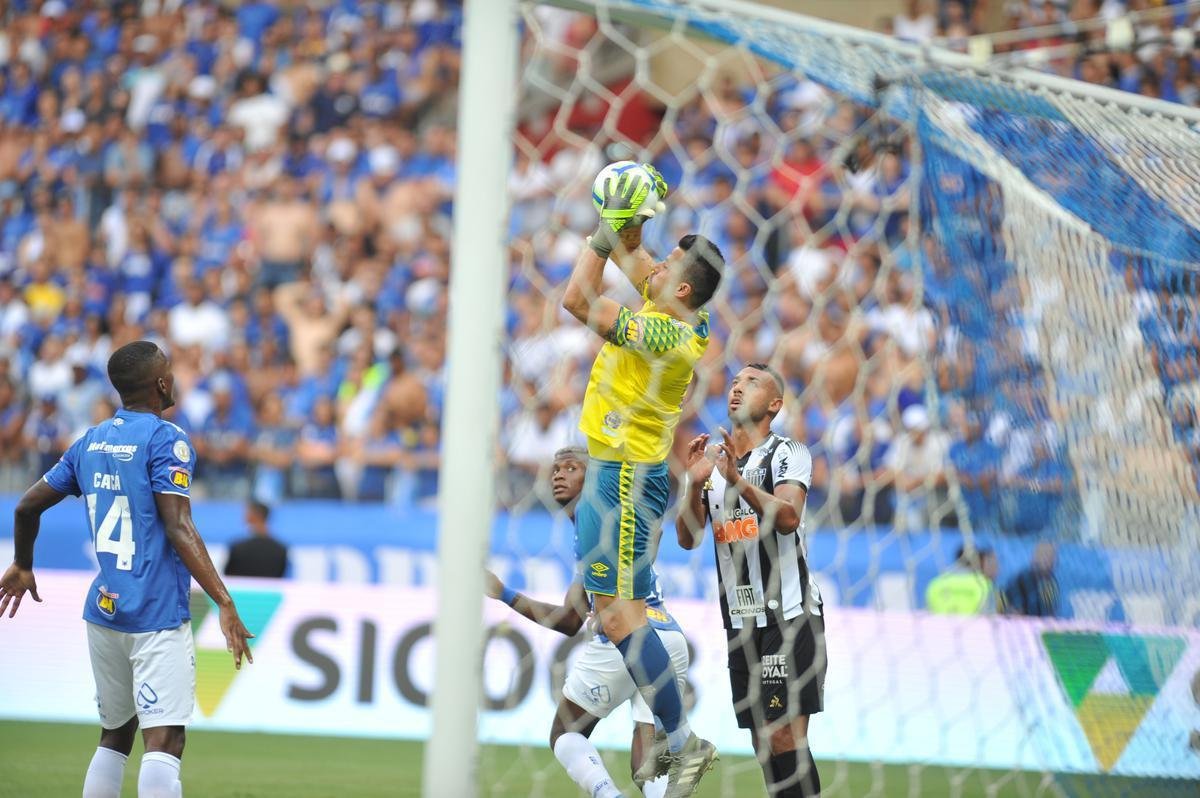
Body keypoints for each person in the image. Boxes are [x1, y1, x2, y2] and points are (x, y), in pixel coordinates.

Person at [0, 340, 254, 798]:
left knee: (115, 735)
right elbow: (179, 527)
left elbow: (26, 507)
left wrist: (22, 563)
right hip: (154, 612)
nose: (173, 377)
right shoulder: (166, 439)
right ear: (160, 383)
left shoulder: (90, 441)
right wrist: (224, 600)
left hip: (104, 611)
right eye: (170, 371)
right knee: (166, 739)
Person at [560, 165, 723, 795]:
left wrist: (604, 236)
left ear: (682, 291)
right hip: (620, 470)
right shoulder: (675, 306)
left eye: (669, 265)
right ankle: (680, 741)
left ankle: (681, 742)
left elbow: (576, 299)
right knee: (614, 609)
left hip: (625, 477)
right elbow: (633, 252)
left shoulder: (665, 329)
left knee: (622, 615)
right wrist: (630, 213)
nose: (657, 266)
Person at [485, 448, 689, 798]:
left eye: (571, 467)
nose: (558, 475)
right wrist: (505, 594)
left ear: (593, 477)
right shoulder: (600, 528)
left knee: (565, 734)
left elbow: (570, 620)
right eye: (555, 469)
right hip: (670, 639)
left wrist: (504, 594)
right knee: (646, 765)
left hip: (625, 637)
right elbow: (570, 619)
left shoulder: (592, 514)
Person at [676, 363, 826, 797]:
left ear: (775, 404)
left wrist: (737, 482)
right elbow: (688, 539)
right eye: (736, 381)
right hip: (740, 622)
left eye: (752, 382)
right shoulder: (715, 463)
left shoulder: (787, 453)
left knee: (783, 736)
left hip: (789, 615)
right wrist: (693, 485)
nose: (738, 387)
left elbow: (787, 517)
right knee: (763, 743)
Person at [925, 544, 1000, 615]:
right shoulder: (983, 583)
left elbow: (928, 613)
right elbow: (990, 616)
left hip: (941, 627)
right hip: (973, 626)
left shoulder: (937, 582)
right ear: (978, 560)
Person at [223, 500, 288, 579]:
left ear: (254, 515)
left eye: (247, 512)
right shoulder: (281, 549)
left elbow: (229, 575)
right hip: (269, 590)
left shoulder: (238, 547)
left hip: (242, 590)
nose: (244, 515)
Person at [1003, 541, 1059, 617]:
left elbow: (1051, 612)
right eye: (1044, 556)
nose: (1049, 560)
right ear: (1033, 559)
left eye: (1052, 557)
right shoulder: (1021, 580)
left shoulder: (1050, 582)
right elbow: (1014, 614)